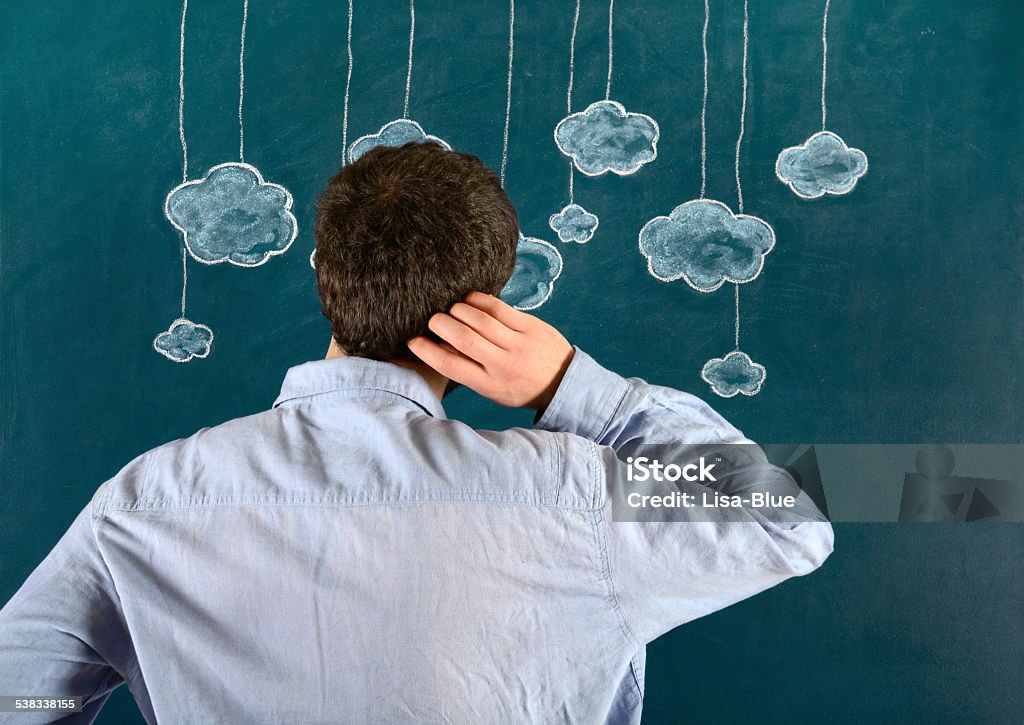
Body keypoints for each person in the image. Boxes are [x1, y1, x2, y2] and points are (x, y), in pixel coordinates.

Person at [0, 142, 833, 724]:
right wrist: (575, 387)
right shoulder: (572, 493)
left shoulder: (146, 504)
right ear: (491, 305)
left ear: (322, 269)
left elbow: (23, 698)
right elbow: (782, 518)